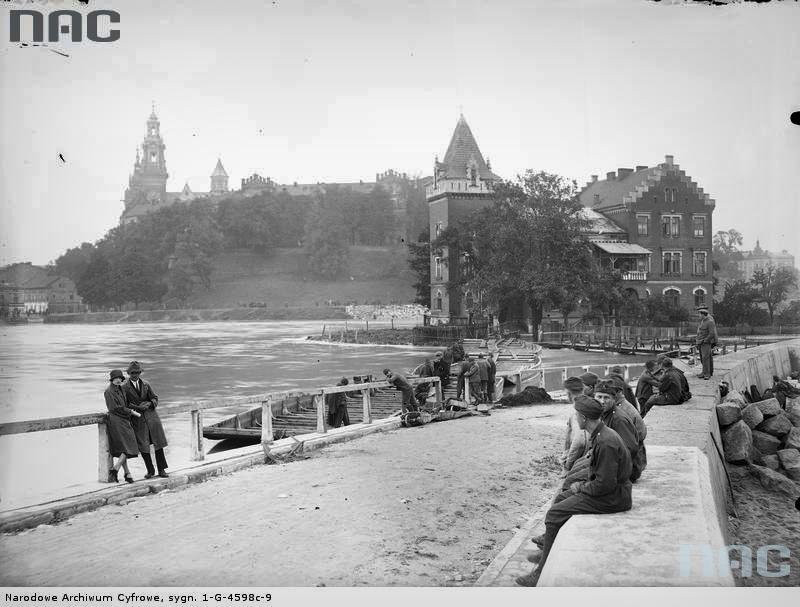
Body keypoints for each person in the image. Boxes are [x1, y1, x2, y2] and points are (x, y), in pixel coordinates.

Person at [516, 395, 633, 587]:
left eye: (577, 414)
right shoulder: (603, 434)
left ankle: (540, 573)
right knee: (562, 496)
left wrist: (581, 487)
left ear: (584, 418)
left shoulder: (605, 442)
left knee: (554, 514)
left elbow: (605, 485)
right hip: (611, 492)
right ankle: (548, 550)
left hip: (613, 497)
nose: (576, 418)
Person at [122, 361, 169, 479]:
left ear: (140, 373)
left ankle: (162, 470)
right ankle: (150, 470)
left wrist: (149, 404)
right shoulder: (124, 388)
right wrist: (137, 407)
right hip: (138, 420)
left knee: (158, 444)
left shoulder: (146, 384)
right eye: (133, 373)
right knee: (143, 446)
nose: (135, 375)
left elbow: (155, 398)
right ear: (128, 373)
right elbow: (125, 404)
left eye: (137, 372)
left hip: (152, 418)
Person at [104, 369, 140, 484]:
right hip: (116, 420)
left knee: (125, 447)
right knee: (128, 445)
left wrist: (136, 408)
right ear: (112, 379)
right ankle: (119, 470)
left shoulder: (121, 389)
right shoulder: (108, 392)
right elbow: (114, 408)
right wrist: (131, 412)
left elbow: (125, 404)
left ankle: (122, 472)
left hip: (124, 419)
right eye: (116, 378)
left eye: (120, 378)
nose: (118, 380)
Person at [561, 377, 590, 474]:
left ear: (569, 394)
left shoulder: (576, 412)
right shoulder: (591, 405)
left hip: (579, 462)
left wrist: (568, 465)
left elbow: (579, 441)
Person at [695, 306, 718, 379]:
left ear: (703, 314)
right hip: (700, 342)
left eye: (699, 314)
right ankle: (703, 372)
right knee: (702, 358)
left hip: (705, 343)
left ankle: (707, 374)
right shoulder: (702, 321)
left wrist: (705, 340)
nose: (698, 315)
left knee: (706, 358)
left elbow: (712, 333)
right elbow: (699, 333)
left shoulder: (710, 321)